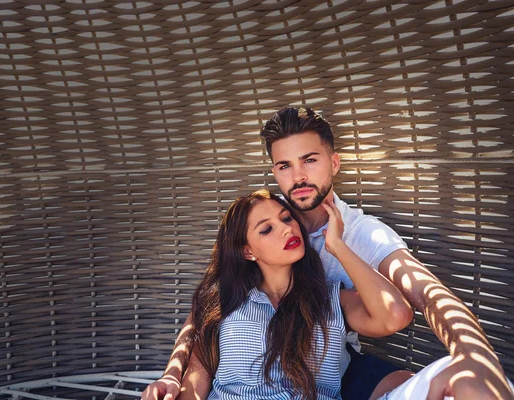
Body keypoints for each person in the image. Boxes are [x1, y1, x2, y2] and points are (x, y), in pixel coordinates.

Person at [142, 107, 514, 400]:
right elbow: (204, 318)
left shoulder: (360, 235)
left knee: (461, 380)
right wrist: (173, 376)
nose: (298, 177)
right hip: (283, 365)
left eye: (310, 160)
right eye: (285, 166)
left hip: (330, 359)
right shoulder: (253, 247)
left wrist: (474, 356)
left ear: (333, 163)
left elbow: (425, 294)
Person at [178, 188, 414, 399]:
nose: (286, 229)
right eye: (267, 229)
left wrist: (338, 246)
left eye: (287, 218)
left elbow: (395, 315)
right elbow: (196, 378)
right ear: (248, 252)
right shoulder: (225, 304)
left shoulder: (331, 300)